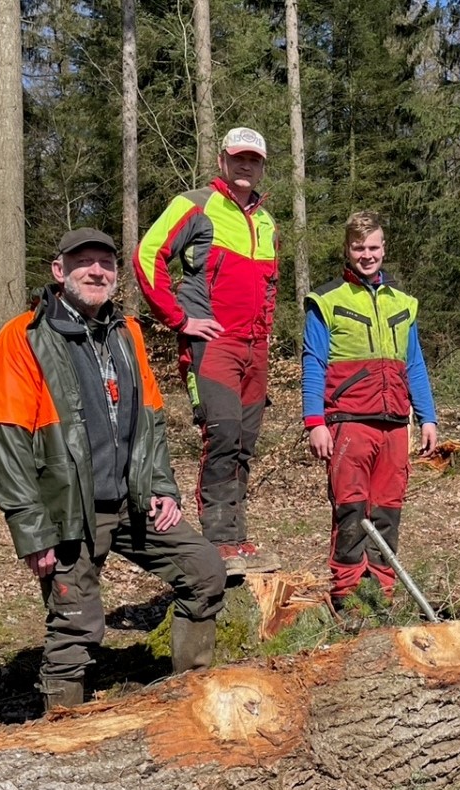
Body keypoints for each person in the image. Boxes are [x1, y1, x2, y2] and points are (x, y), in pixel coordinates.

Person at [0, 228, 227, 712]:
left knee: (204, 569)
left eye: (105, 263)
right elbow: (3, 442)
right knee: (76, 624)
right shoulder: (23, 338)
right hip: (68, 512)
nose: (95, 271)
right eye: (83, 262)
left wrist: (163, 487)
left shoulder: (126, 333)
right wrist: (32, 529)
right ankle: (63, 731)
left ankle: (192, 700)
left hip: (132, 502)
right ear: (59, 271)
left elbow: (150, 421)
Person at [134, 126, 281, 576]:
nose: (245, 165)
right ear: (222, 161)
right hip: (213, 344)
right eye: (237, 157)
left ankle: (237, 538)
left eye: (253, 160)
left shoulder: (266, 221)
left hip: (255, 349)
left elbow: (269, 286)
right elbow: (147, 254)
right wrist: (178, 319)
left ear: (261, 167)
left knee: (245, 444)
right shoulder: (195, 205)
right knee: (223, 435)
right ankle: (218, 541)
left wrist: (267, 336)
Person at [301, 211, 438, 606]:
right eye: (359, 247)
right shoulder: (325, 301)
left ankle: (382, 596)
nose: (367, 254)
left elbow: (415, 363)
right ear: (347, 249)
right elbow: (313, 362)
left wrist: (427, 417)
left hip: (396, 424)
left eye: (373, 247)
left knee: (387, 512)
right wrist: (315, 422)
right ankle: (347, 596)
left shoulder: (404, 303)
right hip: (347, 423)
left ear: (384, 248)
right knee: (351, 512)